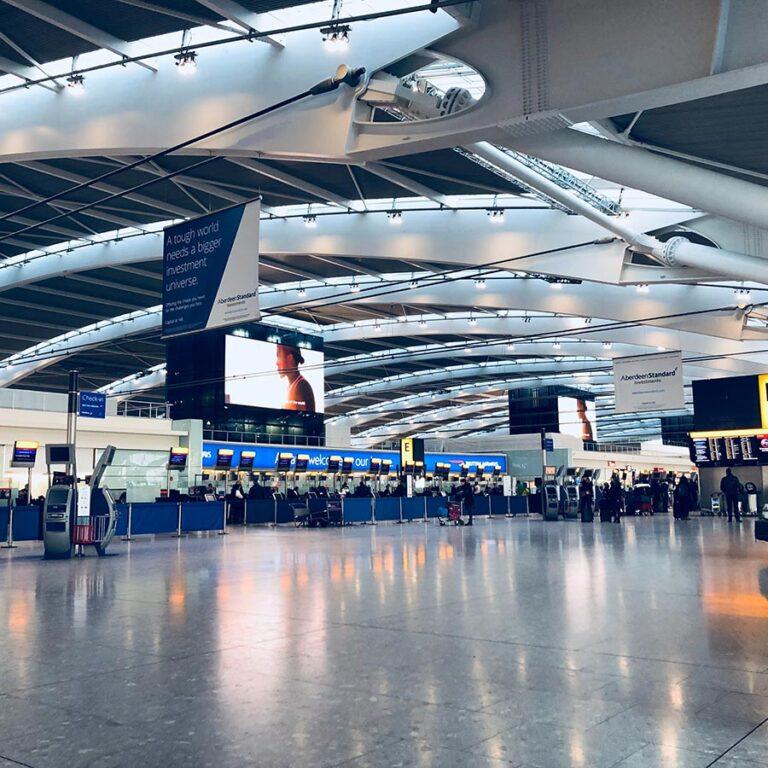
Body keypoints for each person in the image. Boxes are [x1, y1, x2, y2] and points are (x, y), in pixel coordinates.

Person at [276, 343, 316, 412]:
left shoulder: (301, 385)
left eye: (278, 357)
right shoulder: (293, 385)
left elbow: (302, 419)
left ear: (290, 359)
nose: (277, 363)